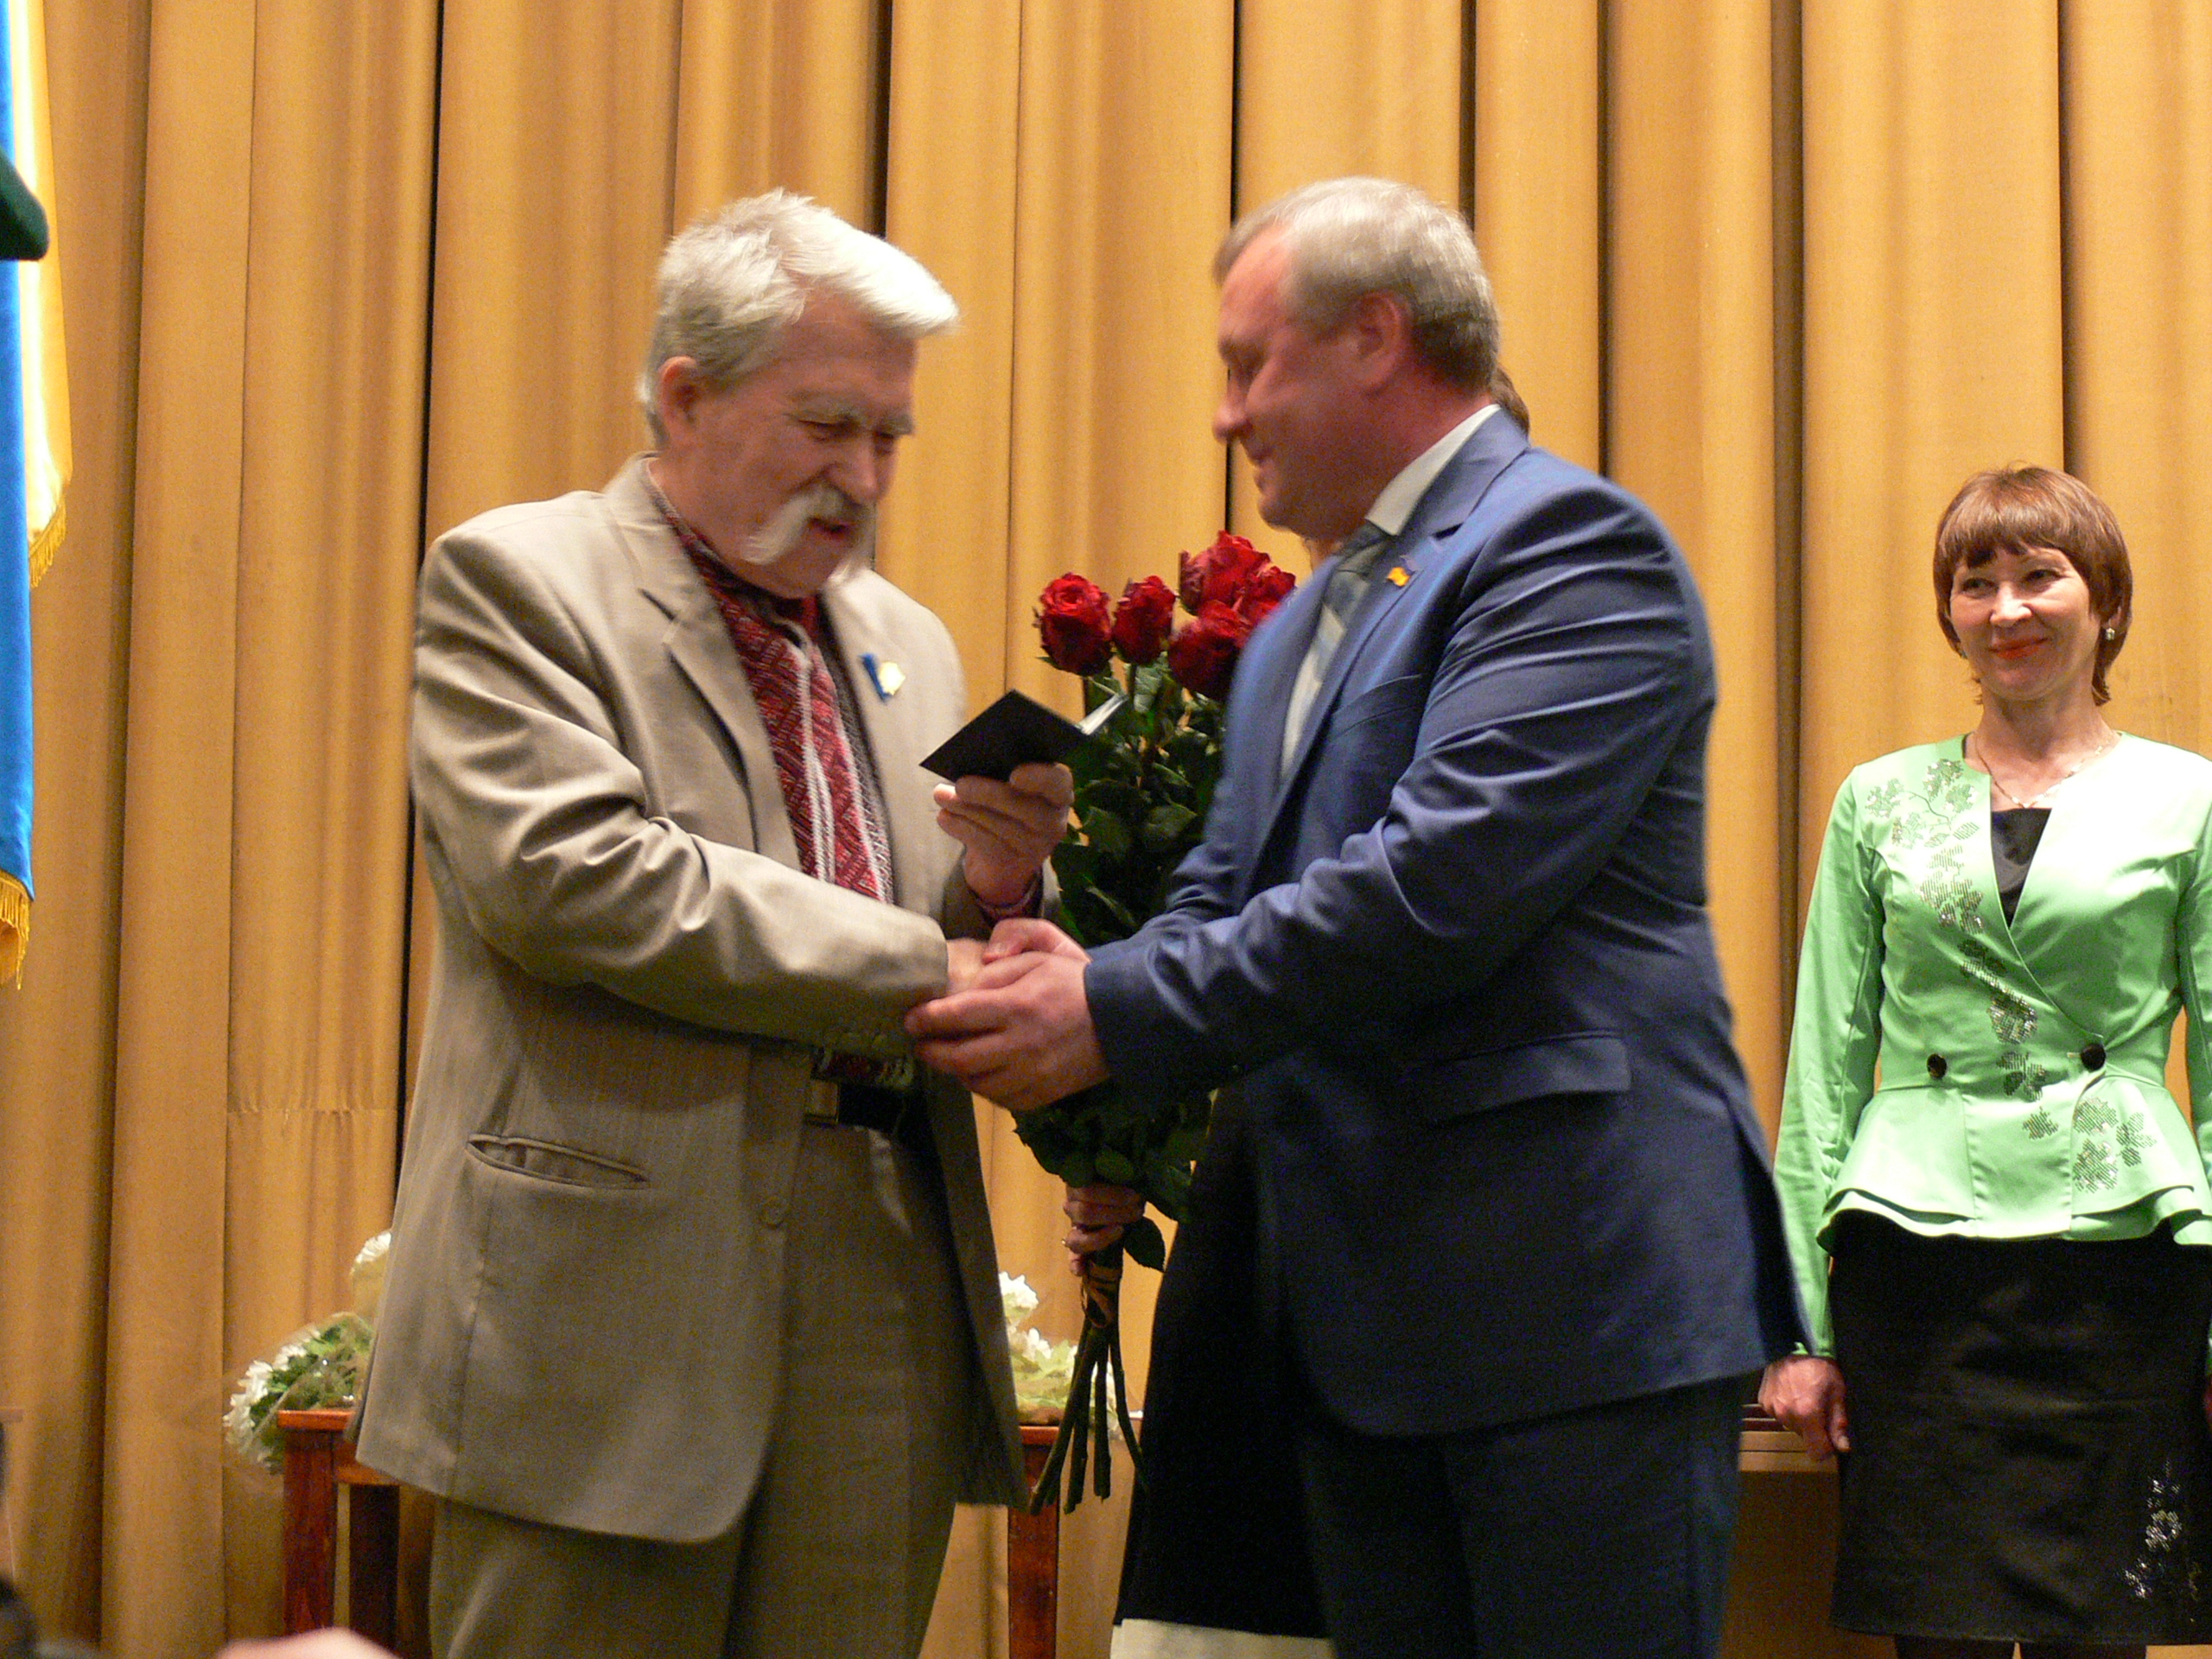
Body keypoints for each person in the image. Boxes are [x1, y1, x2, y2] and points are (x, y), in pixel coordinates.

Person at [908, 176, 1802, 1659]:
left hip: (1570, 1313)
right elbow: (1223, 897)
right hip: (1369, 1336)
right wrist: (1069, 968)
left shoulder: (1570, 548)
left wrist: (1110, 1010)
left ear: (1377, 337)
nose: (1225, 415)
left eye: (1247, 365)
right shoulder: (1304, 628)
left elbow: (1433, 888)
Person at [353, 192, 1071, 1659]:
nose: (863, 476)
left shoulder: (910, 642)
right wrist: (928, 961)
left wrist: (1003, 895)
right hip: (606, 1299)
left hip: (880, 1261)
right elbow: (580, 878)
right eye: (827, 426)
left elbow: (920, 913)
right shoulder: (518, 579)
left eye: (889, 437)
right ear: (685, 395)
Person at [1761, 467, 2212, 1659]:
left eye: (2039, 576)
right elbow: (1824, 1070)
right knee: (1935, 1633)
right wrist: (1799, 1327)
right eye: (1977, 583)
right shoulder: (1876, 800)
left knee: (2100, 1634)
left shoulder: (2190, 799)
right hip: (1918, 1267)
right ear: (1950, 614)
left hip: (2120, 1261)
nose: (2007, 608)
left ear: (2106, 603)